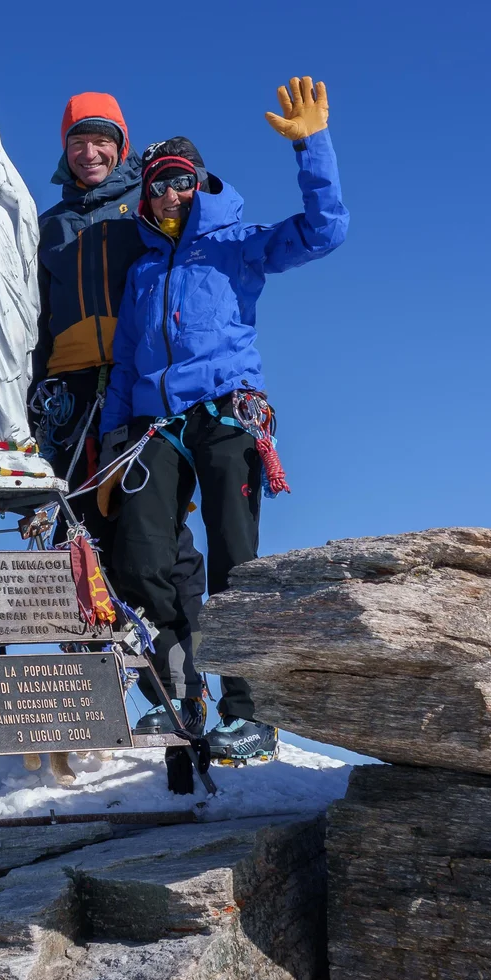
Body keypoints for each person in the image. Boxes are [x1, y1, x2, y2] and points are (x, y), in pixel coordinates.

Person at [101, 77, 349, 763]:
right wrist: (110, 439)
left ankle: (252, 712)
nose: (169, 194)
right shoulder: (144, 269)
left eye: (181, 180)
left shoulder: (238, 244)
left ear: (202, 181)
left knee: (235, 562)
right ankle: (178, 697)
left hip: (227, 416)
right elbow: (125, 362)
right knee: (141, 560)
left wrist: (313, 146)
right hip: (153, 427)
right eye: (157, 184)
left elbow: (326, 232)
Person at [32, 92, 210, 725]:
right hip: (69, 395)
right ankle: (84, 703)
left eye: (103, 139)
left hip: (140, 385)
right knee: (76, 536)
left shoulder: (152, 199)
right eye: (79, 141)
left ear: (123, 144)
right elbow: (37, 318)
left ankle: (182, 690)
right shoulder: (49, 224)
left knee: (155, 536)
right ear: (64, 149)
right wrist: (33, 396)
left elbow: (196, 255)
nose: (91, 152)